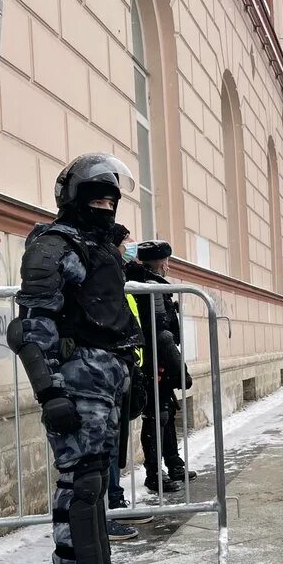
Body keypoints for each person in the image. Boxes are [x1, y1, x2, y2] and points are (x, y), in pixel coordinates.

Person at [9, 153, 146, 564]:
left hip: (106, 380)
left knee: (95, 479)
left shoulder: (99, 245)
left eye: (110, 198)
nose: (104, 205)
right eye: (94, 196)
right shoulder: (54, 245)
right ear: (72, 197)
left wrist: (135, 376)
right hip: (76, 381)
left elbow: (113, 316)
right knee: (81, 483)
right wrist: (50, 392)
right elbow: (30, 327)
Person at [125, 239, 195, 495]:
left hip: (153, 359)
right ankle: (154, 474)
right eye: (167, 261)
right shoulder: (151, 287)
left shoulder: (143, 282)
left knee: (163, 414)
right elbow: (161, 333)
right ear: (162, 262)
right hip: (153, 361)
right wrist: (179, 370)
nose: (168, 266)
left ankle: (174, 464)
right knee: (156, 417)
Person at [104, 227, 151, 538]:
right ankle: (107, 510)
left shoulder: (120, 273)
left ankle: (115, 500)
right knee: (103, 447)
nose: (130, 248)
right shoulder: (103, 274)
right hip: (102, 371)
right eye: (125, 243)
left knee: (114, 444)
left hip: (122, 368)